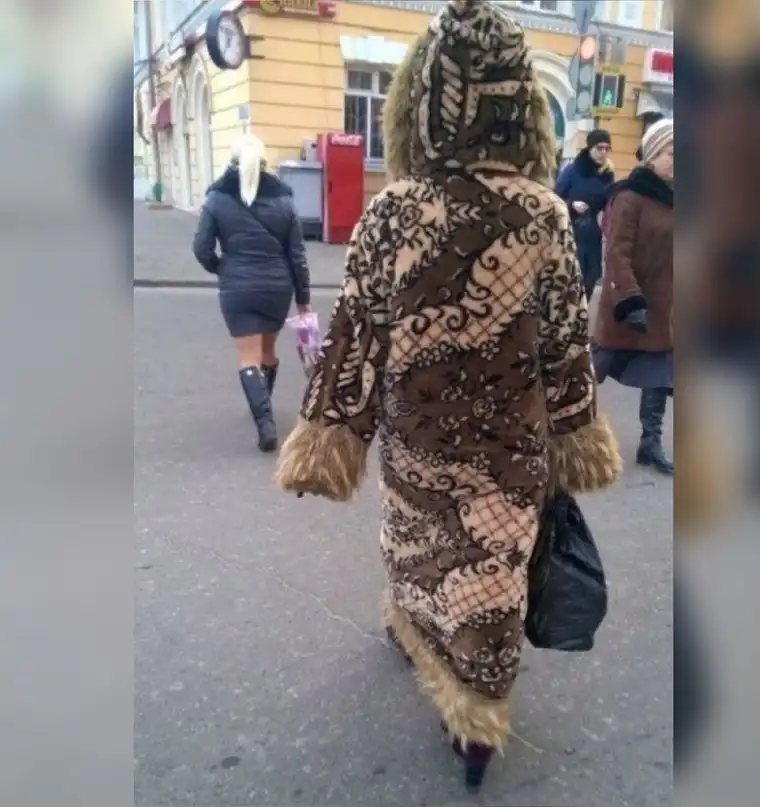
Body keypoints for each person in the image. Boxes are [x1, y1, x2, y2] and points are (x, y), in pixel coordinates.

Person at [275, 0, 622, 791]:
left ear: (415, 108)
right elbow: (564, 340)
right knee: (491, 582)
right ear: (519, 108)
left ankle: (426, 648)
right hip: (510, 452)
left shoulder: (393, 211)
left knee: (417, 551)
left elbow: (358, 334)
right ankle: (476, 723)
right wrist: (575, 433)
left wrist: (331, 434)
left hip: (418, 442)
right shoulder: (542, 213)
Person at [192, 133, 311, 452]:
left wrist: (223, 268)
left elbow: (201, 248)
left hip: (238, 287)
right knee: (268, 351)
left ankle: (265, 424)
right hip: (277, 287)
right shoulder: (284, 201)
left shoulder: (216, 199)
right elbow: (297, 256)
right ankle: (263, 401)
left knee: (248, 357)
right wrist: (303, 299)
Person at [593, 119, 674, 475]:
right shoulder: (628, 196)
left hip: (664, 307)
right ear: (653, 155)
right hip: (627, 305)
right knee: (595, 368)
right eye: (672, 153)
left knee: (660, 375)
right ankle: (559, 425)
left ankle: (650, 442)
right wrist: (629, 299)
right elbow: (617, 253)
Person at [555, 129, 615, 300]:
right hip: (571, 231)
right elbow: (555, 198)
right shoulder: (573, 170)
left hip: (592, 234)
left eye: (607, 148)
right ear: (590, 148)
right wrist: (572, 205)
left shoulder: (607, 173)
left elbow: (608, 201)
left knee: (590, 280)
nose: (603, 152)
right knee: (569, 279)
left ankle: (582, 312)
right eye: (599, 148)